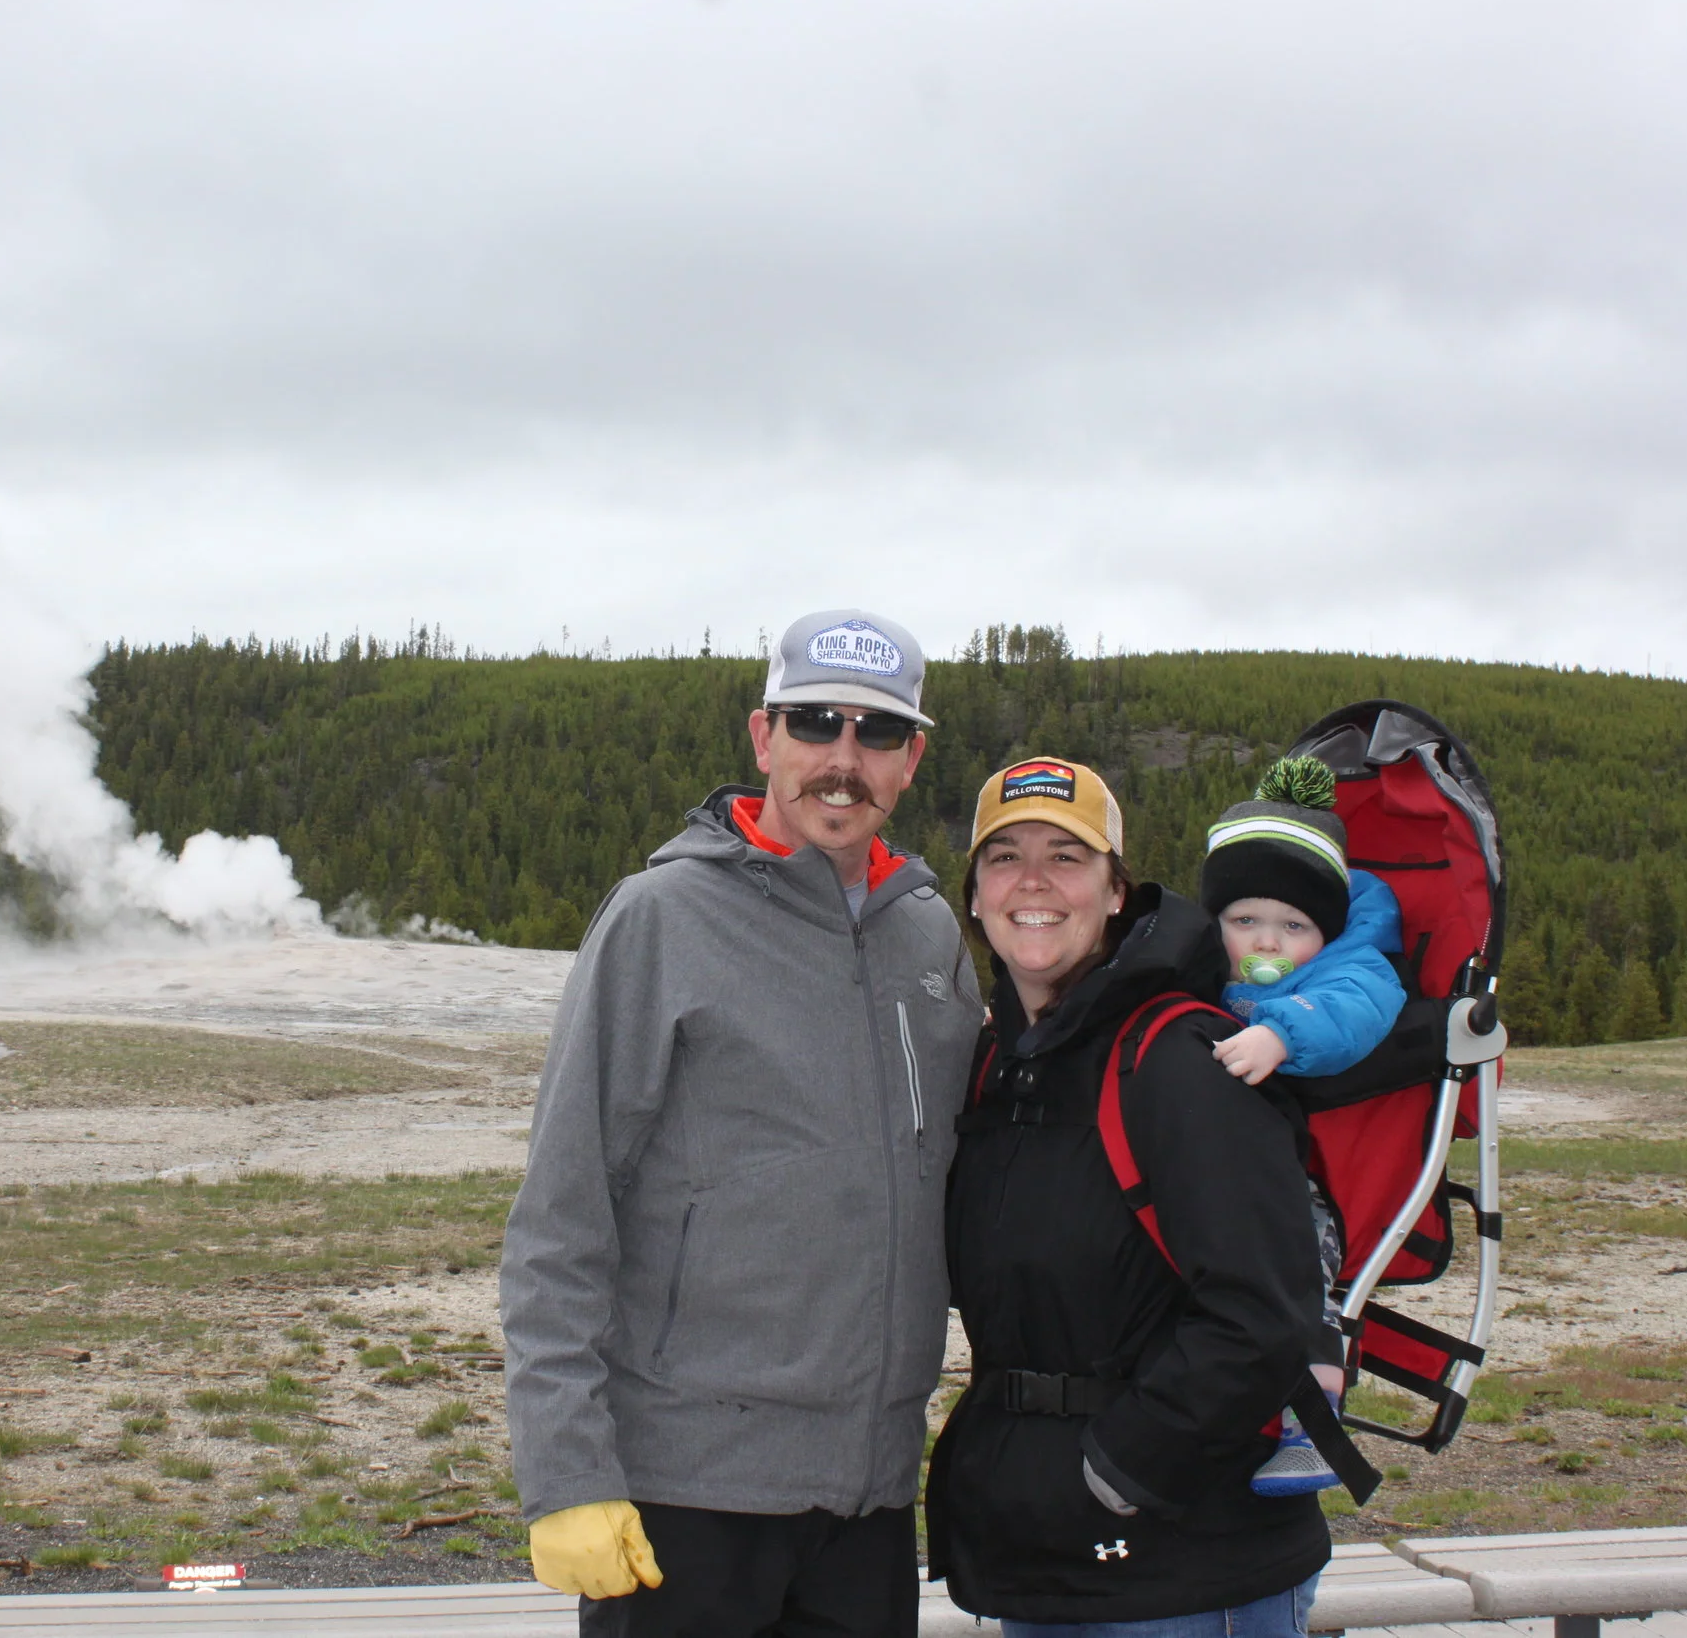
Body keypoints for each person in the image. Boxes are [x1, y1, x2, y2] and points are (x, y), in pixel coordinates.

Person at [502, 608, 983, 1638]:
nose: (842, 759)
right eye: (815, 723)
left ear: (911, 760)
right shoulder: (660, 917)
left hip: (866, 1496)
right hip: (687, 1492)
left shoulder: (931, 935)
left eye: (878, 732)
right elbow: (561, 1216)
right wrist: (566, 1469)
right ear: (763, 738)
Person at [925, 757, 1331, 1637]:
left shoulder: (1185, 1058)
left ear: (1116, 892)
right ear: (975, 896)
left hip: (1187, 1570)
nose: (1033, 882)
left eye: (1067, 857)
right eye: (1004, 858)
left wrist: (1115, 1472)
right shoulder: (1002, 1068)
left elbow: (1264, 1313)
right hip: (1050, 1556)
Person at [1197, 755, 1408, 1498]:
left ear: (1326, 925)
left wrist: (1282, 1031)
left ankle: (1313, 1417)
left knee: (1299, 1255)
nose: (1267, 943)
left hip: (1309, 1176)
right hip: (1224, 1162)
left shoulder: (1351, 967)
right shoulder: (1202, 965)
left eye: (1292, 926)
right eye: (1244, 921)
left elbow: (1357, 1007)